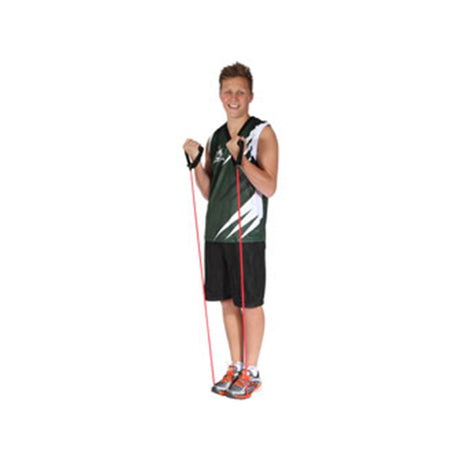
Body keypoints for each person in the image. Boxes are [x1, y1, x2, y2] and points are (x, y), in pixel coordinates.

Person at [183, 62, 278, 399]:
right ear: (220, 95)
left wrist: (242, 160)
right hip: (216, 233)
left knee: (249, 303)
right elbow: (210, 191)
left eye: (240, 92)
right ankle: (235, 366)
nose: (233, 97)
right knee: (227, 302)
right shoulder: (216, 137)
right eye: (228, 92)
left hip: (246, 234)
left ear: (250, 95)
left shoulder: (262, 132)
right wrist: (196, 163)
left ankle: (252, 371)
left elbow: (269, 187)